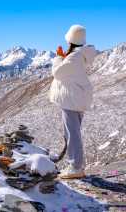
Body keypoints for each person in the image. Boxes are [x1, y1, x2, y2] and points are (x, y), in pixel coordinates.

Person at [49, 24, 97, 179]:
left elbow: (58, 72)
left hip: (72, 99)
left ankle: (75, 167)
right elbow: (69, 70)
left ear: (71, 40)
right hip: (76, 98)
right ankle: (75, 165)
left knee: (72, 133)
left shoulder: (74, 57)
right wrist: (64, 57)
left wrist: (57, 57)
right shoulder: (78, 56)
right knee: (73, 131)